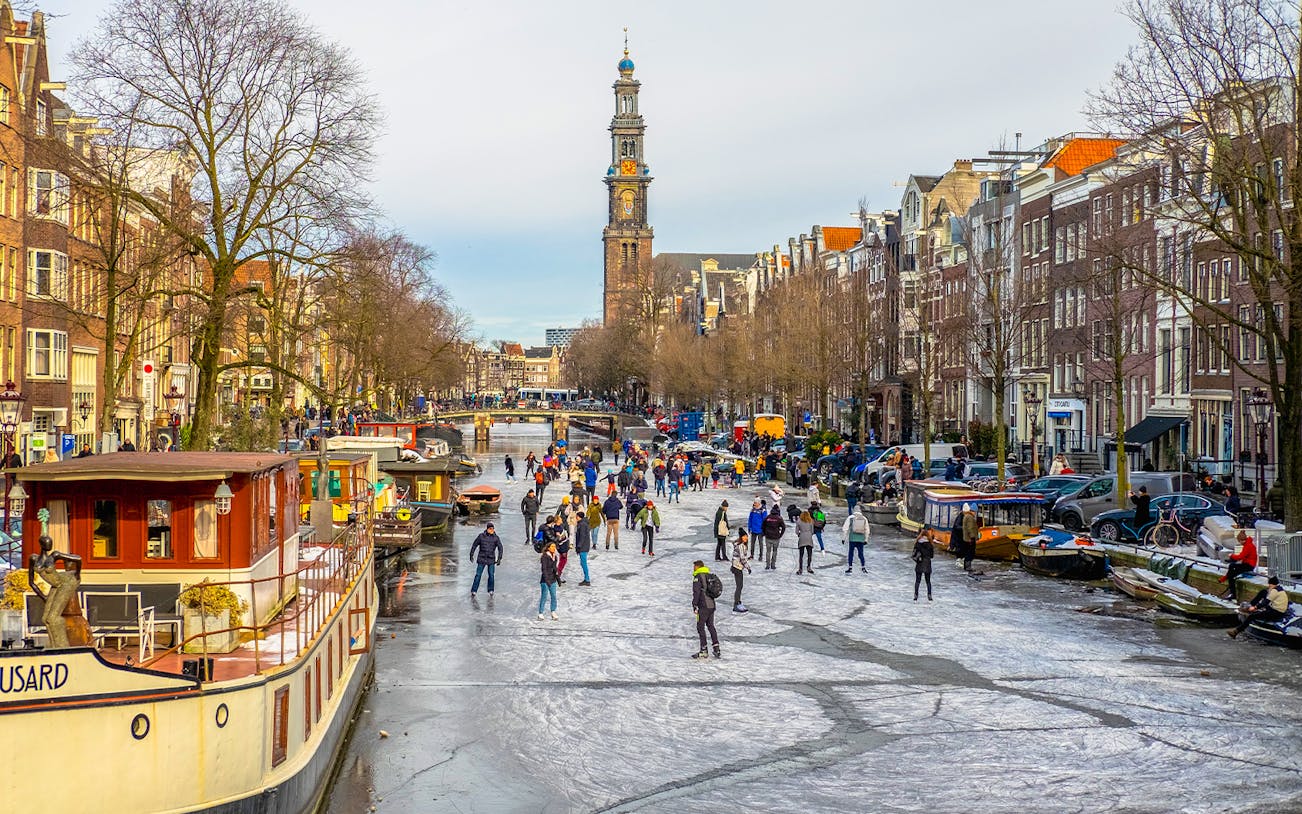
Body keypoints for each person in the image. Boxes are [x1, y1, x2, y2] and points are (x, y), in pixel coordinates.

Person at [28, 533, 82, 649]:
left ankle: (62, 646)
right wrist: (44, 597)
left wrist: (77, 574)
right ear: (42, 545)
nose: (49, 545)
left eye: (50, 543)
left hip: (66, 582)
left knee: (53, 617)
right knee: (45, 618)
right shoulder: (33, 558)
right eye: (47, 543)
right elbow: (31, 582)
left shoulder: (55, 555)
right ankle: (53, 646)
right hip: (56, 585)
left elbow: (78, 559)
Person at [691, 560, 721, 659]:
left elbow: (696, 592)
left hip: (703, 606)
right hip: (711, 605)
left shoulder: (698, 577)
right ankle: (716, 648)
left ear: (698, 566)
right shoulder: (708, 575)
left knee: (700, 627)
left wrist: (694, 604)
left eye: (694, 566)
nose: (693, 568)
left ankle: (703, 650)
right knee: (710, 626)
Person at [1220, 529, 1258, 598]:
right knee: (1232, 567)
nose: (1239, 543)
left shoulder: (1248, 546)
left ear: (1241, 540)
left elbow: (1240, 556)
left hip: (1249, 565)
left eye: (1239, 541)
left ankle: (1232, 593)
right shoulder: (1248, 545)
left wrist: (1231, 555)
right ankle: (1227, 578)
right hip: (1247, 564)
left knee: (1231, 575)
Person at [468, 522, 502, 597]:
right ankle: (474, 590)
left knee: (491, 575)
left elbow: (500, 548)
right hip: (482, 558)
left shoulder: (496, 538)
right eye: (490, 529)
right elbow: (474, 545)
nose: (492, 530)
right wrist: (471, 554)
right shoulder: (481, 536)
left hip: (491, 559)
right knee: (478, 575)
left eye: (493, 529)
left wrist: (499, 558)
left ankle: (491, 589)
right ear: (487, 529)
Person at [842, 503, 869, 574]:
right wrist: (866, 539)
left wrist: (843, 538)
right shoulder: (864, 518)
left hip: (852, 539)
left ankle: (850, 568)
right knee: (861, 554)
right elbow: (867, 530)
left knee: (851, 553)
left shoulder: (850, 517)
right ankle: (863, 567)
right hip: (861, 539)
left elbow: (845, 528)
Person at [730, 529, 752, 612]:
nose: (746, 538)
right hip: (737, 567)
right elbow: (742, 559)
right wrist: (748, 567)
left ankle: (738, 602)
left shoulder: (739, 544)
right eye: (744, 537)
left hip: (736, 566)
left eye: (746, 537)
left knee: (739, 586)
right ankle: (736, 604)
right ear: (741, 537)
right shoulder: (741, 546)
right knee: (739, 586)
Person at [537, 542, 560, 621]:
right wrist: (547, 580)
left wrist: (558, 579)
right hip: (545, 580)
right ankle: (540, 613)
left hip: (553, 579)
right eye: (552, 546)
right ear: (548, 548)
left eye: (554, 547)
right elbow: (544, 570)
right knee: (544, 596)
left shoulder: (555, 557)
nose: (554, 548)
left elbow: (555, 569)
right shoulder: (544, 557)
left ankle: (553, 611)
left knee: (553, 596)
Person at [761, 504, 786, 570]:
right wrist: (781, 535)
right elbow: (783, 527)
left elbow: (762, 525)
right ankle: (773, 565)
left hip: (768, 537)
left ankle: (767, 565)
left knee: (768, 551)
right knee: (775, 551)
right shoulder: (779, 518)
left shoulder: (767, 517)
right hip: (776, 537)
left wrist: (764, 533)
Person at [913, 529, 935, 601]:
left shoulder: (917, 543)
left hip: (919, 562)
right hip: (927, 563)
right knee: (928, 581)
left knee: (917, 580)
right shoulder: (930, 544)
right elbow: (932, 556)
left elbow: (914, 553)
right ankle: (929, 595)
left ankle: (916, 595)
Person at [959, 503, 980, 571]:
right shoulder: (970, 517)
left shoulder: (966, 516)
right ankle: (968, 566)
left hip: (966, 538)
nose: (975, 513)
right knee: (970, 552)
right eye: (975, 512)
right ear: (973, 511)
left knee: (968, 552)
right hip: (970, 539)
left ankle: (966, 566)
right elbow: (970, 528)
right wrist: (972, 537)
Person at [574, 512, 593, 586]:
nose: (576, 518)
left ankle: (587, 579)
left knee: (583, 563)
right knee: (583, 563)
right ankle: (586, 578)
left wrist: (579, 546)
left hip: (583, 546)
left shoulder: (582, 525)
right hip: (584, 545)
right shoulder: (583, 523)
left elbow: (582, 536)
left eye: (576, 516)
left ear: (579, 517)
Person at [795, 509, 815, 575]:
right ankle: (808, 567)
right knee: (809, 554)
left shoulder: (799, 521)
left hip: (802, 537)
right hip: (809, 538)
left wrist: (799, 534)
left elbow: (796, 531)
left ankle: (800, 569)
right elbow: (812, 531)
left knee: (801, 555)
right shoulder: (811, 521)